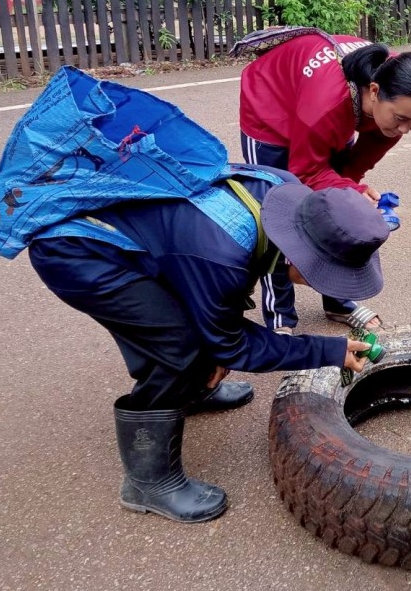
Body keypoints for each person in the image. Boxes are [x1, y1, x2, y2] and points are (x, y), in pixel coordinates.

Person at [27, 168, 391, 523]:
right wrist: (330, 350)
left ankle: (194, 390)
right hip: (77, 250)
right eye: (323, 275)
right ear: (297, 255)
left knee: (199, 340)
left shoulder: (283, 191)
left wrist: (215, 344)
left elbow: (222, 291)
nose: (319, 284)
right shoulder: (221, 256)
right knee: (178, 350)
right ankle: (147, 483)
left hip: (150, 242)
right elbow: (231, 341)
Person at [238, 29, 411, 334]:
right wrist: (352, 192)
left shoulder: (402, 95)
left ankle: (338, 301)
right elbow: (307, 171)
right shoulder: (328, 106)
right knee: (277, 218)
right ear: (374, 91)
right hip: (272, 110)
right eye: (401, 119)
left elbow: (350, 173)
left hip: (332, 108)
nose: (405, 130)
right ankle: (279, 317)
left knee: (342, 215)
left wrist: (352, 193)